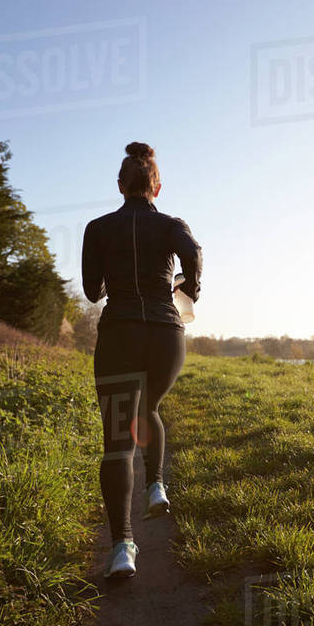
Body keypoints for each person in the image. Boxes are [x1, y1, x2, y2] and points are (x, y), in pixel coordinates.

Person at [81, 142, 202, 578]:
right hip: (167, 337)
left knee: (117, 438)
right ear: (157, 186)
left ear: (120, 185)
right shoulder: (172, 224)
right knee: (149, 407)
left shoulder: (97, 228)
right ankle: (156, 486)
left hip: (120, 334)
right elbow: (193, 251)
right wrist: (191, 285)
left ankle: (123, 547)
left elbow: (93, 291)